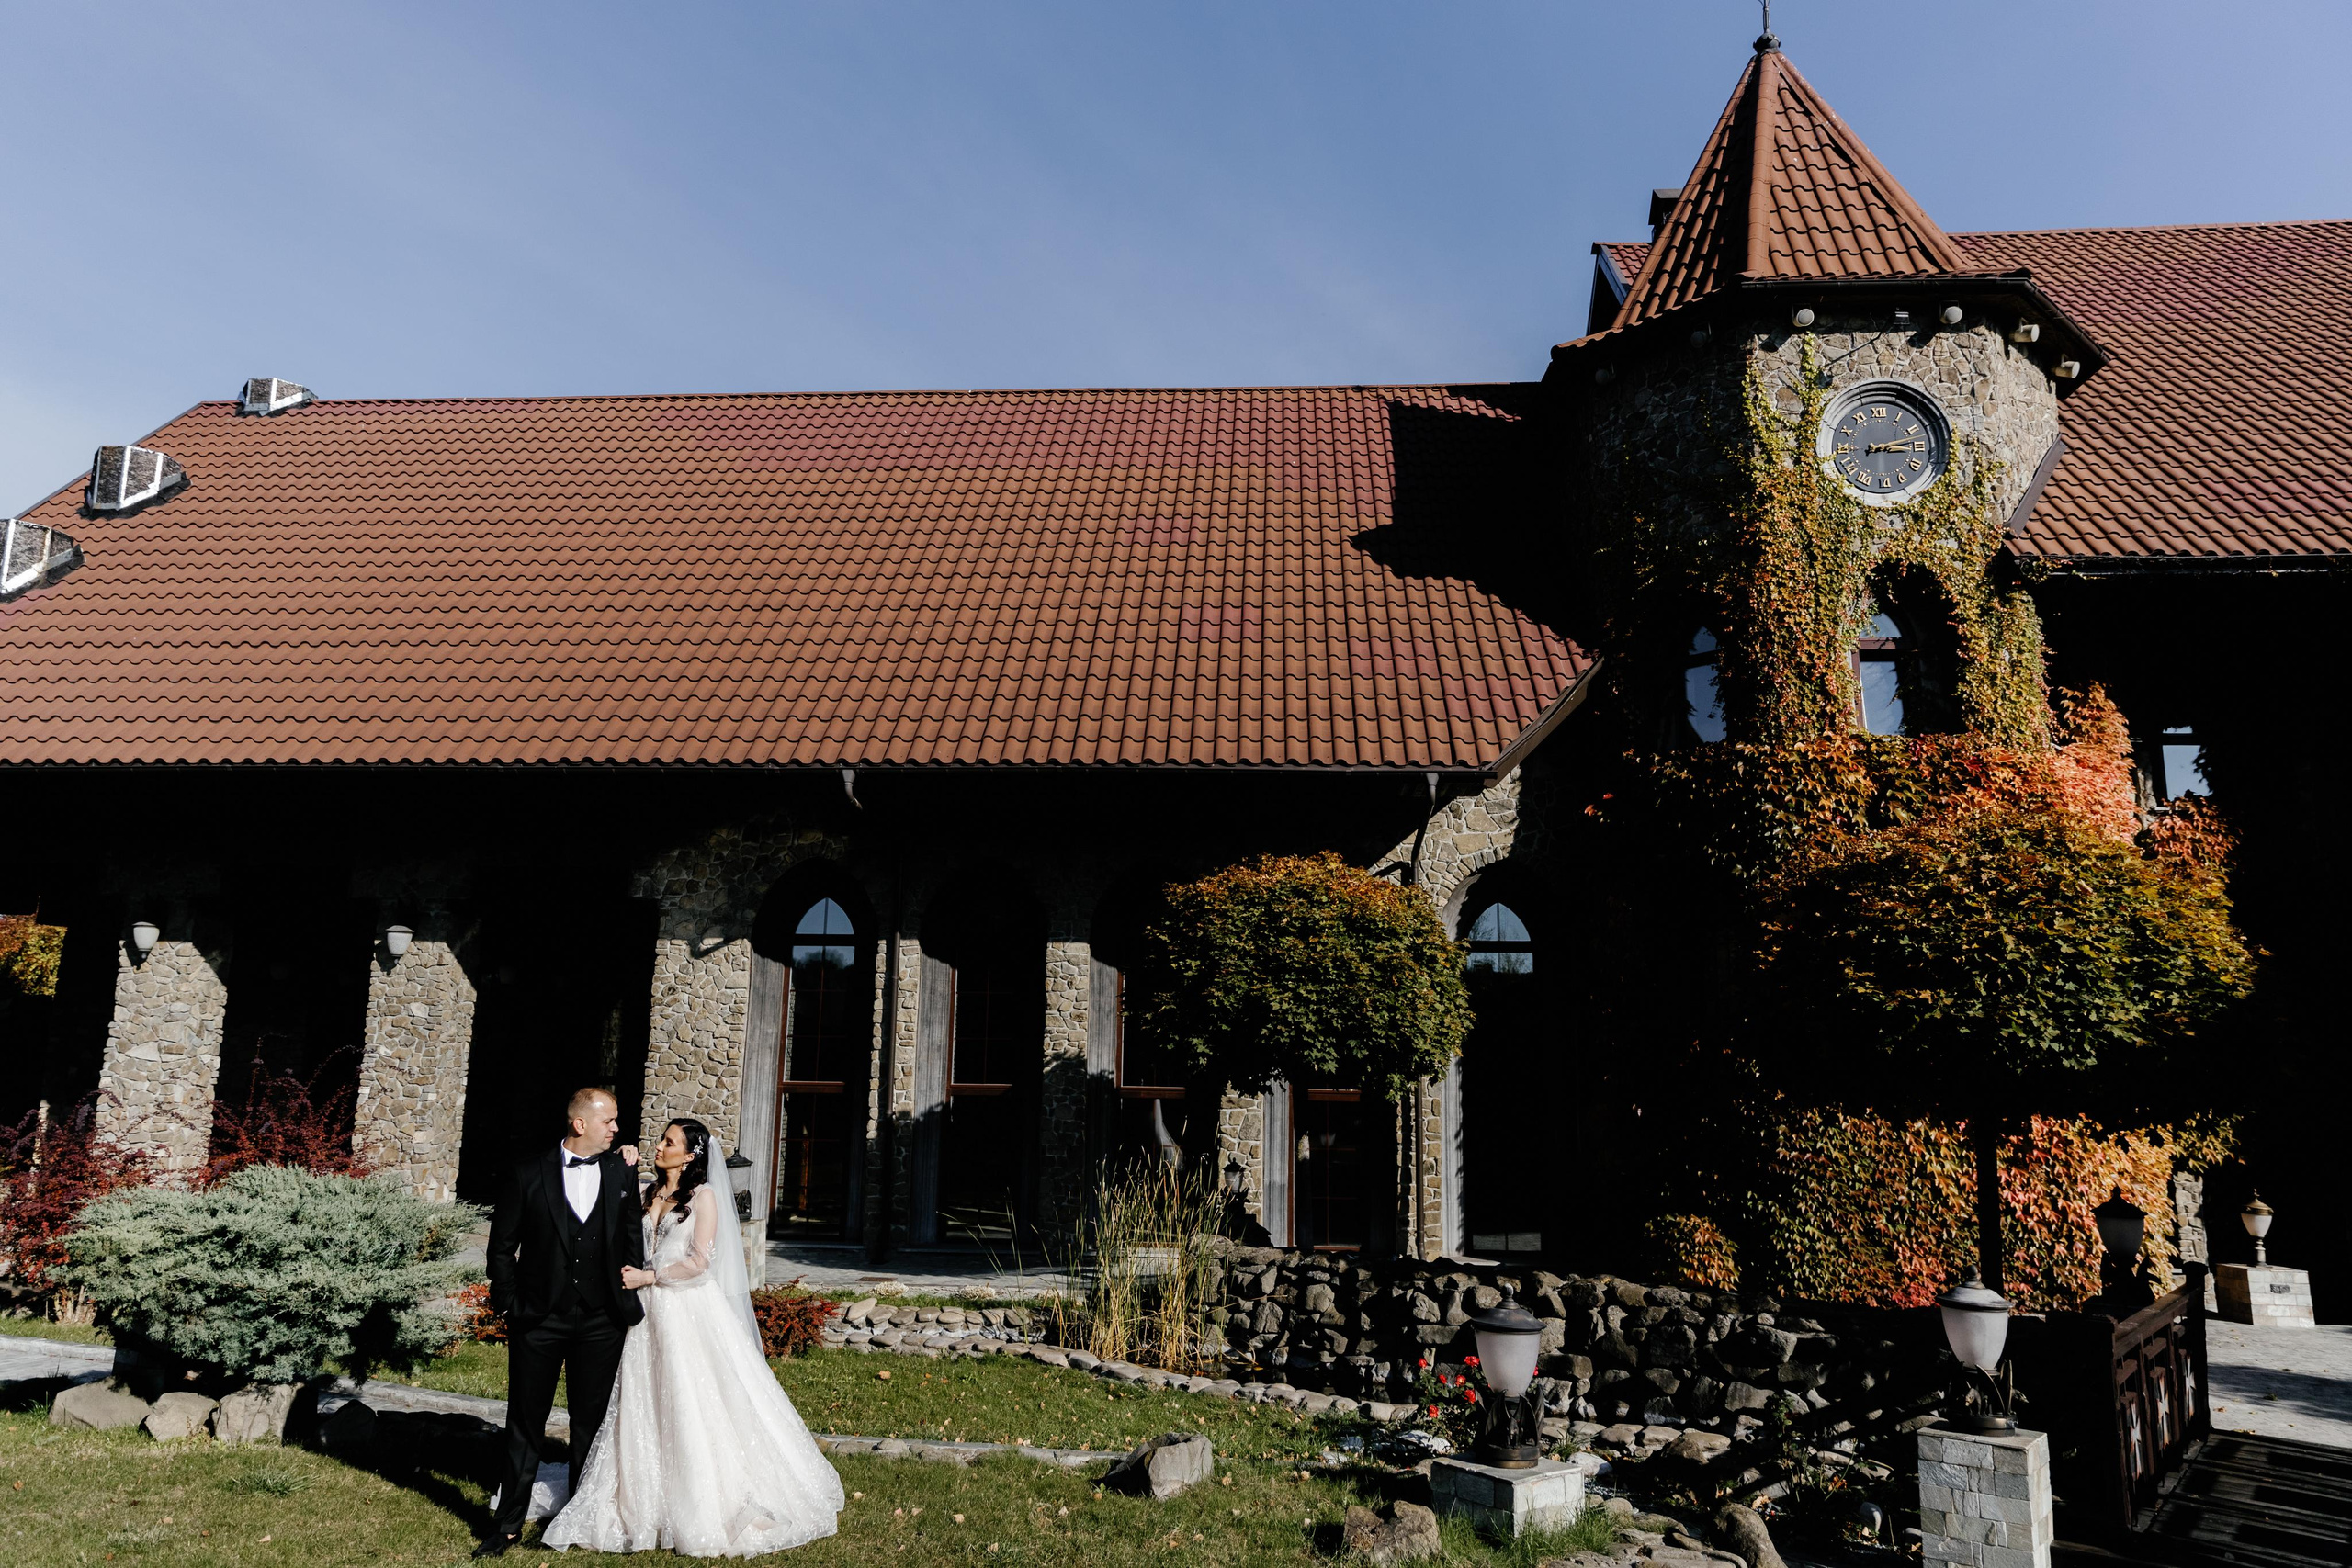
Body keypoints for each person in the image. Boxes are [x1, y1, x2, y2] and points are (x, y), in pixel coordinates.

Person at [542, 1117, 845, 1556]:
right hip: (644, 1313)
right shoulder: (647, 1191)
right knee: (643, 1398)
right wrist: (621, 1157)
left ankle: (703, 1496)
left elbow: (701, 1261)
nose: (660, 1146)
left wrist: (651, 1276)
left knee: (690, 1396)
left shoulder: (703, 1198)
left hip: (684, 1306)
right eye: (662, 1140)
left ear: (689, 1156)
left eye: (670, 1142)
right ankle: (639, 1492)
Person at [479, 1087, 646, 1559]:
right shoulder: (527, 1173)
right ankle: (507, 1524)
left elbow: (631, 1236)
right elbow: (500, 1249)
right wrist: (511, 1302)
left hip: (602, 1320)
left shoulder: (620, 1171)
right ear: (580, 1124)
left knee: (589, 1424)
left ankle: (579, 1517)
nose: (616, 1129)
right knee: (525, 1422)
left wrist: (627, 1295)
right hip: (539, 1319)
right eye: (609, 1121)